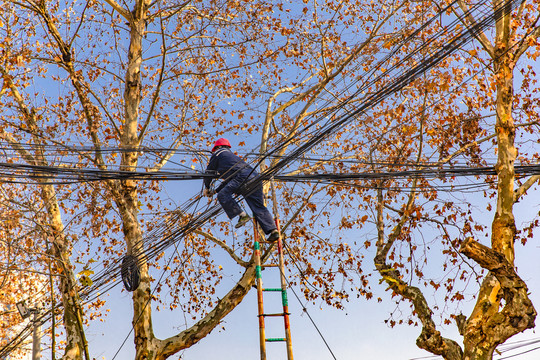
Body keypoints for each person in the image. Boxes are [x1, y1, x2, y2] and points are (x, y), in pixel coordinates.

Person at [203, 138, 280, 243]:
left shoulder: (218, 153)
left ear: (218, 147)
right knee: (258, 207)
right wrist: (215, 191)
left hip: (241, 177)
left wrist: (207, 187)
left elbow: (208, 172)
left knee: (222, 195)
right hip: (254, 177)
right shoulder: (232, 159)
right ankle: (273, 231)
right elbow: (228, 181)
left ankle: (242, 216)